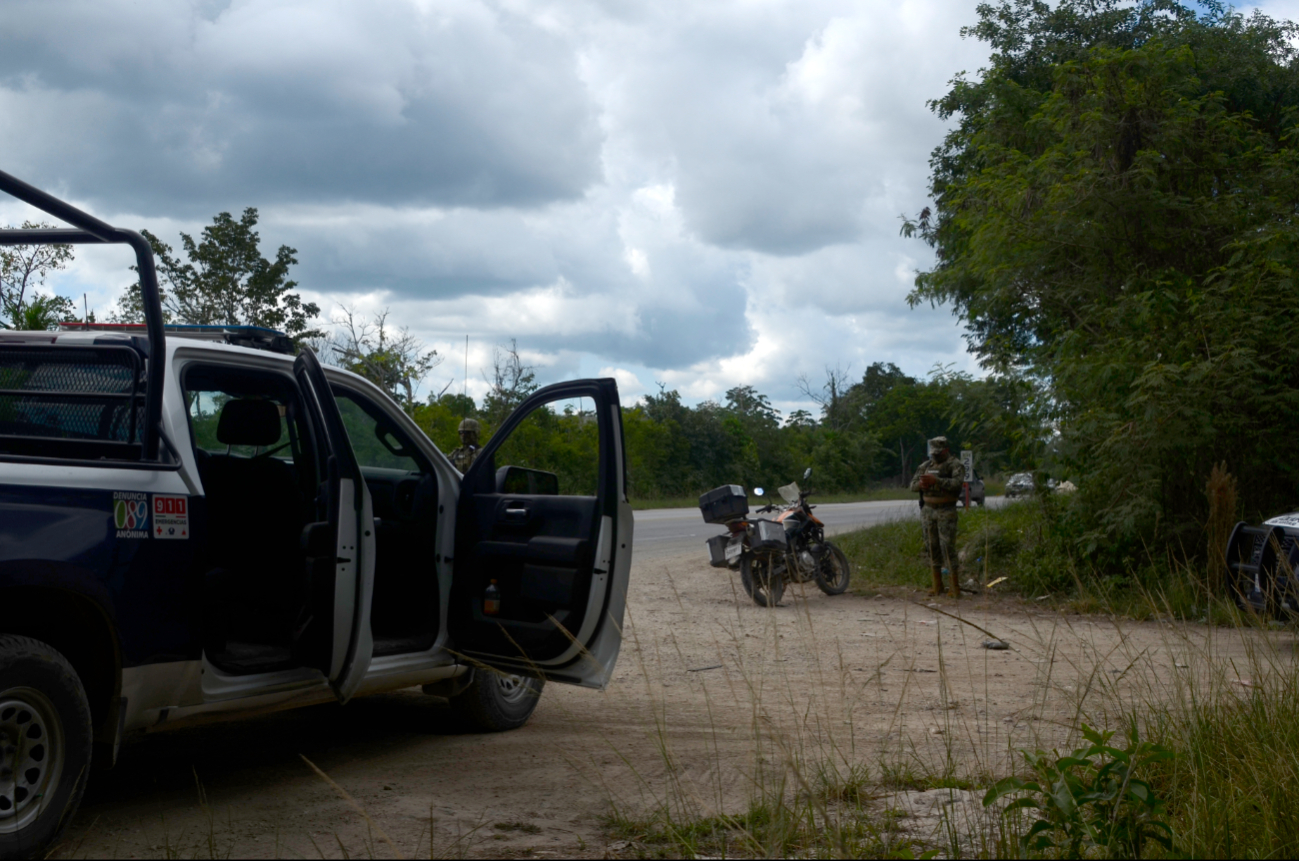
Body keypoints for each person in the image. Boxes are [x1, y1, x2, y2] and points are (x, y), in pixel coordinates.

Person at [908, 436, 966, 598]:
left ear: (946, 450)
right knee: (932, 547)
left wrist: (937, 481)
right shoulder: (925, 466)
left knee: (947, 547)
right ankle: (937, 585)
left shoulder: (955, 465)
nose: (935, 456)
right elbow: (912, 485)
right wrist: (922, 484)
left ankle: (954, 588)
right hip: (928, 510)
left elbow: (956, 484)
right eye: (933, 453)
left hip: (946, 509)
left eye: (939, 453)